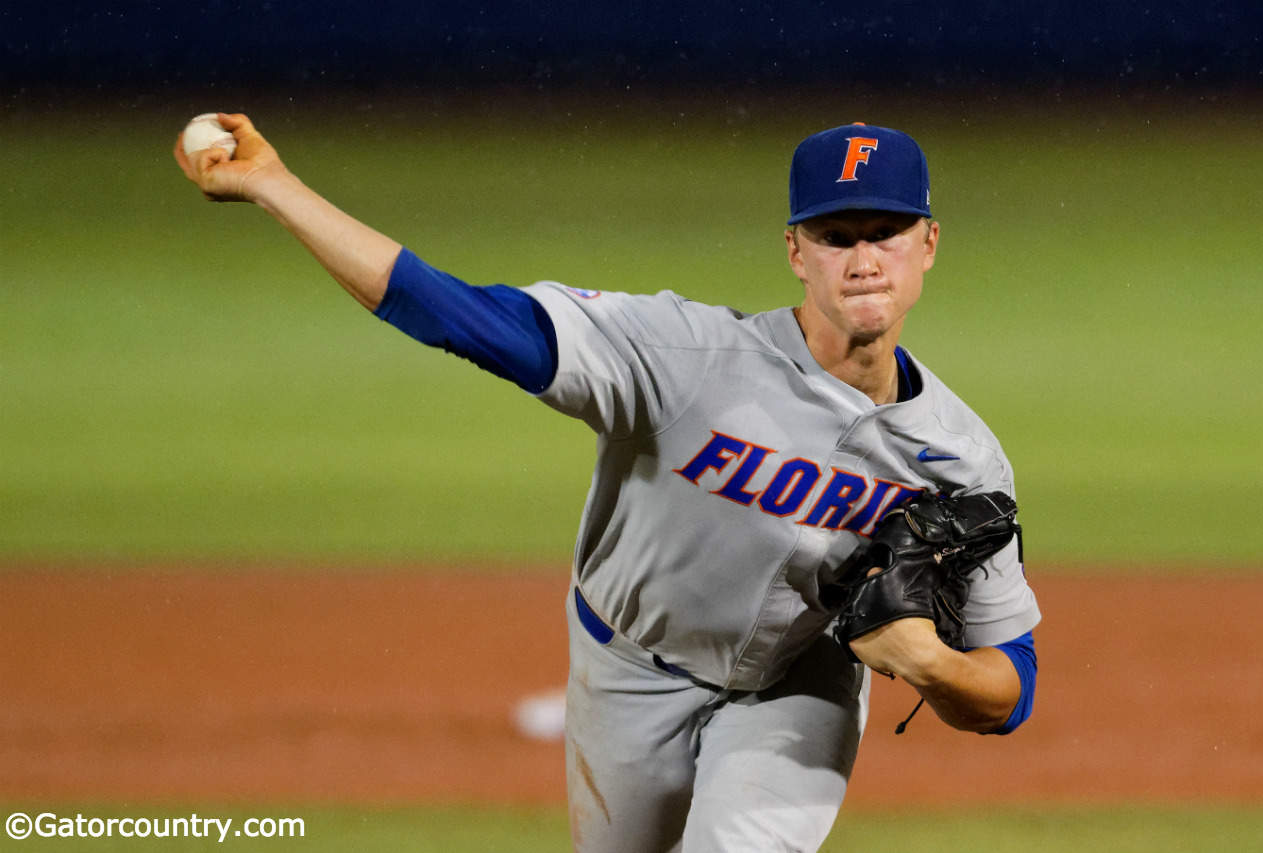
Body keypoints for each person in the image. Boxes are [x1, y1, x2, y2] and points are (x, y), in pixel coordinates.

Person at [175, 115, 1040, 852]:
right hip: (626, 665)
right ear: (794, 251)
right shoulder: (680, 357)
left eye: (884, 232)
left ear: (927, 243)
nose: (863, 260)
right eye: (835, 236)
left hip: (795, 688)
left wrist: (932, 666)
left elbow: (1012, 689)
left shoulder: (962, 456)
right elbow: (462, 316)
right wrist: (276, 187)